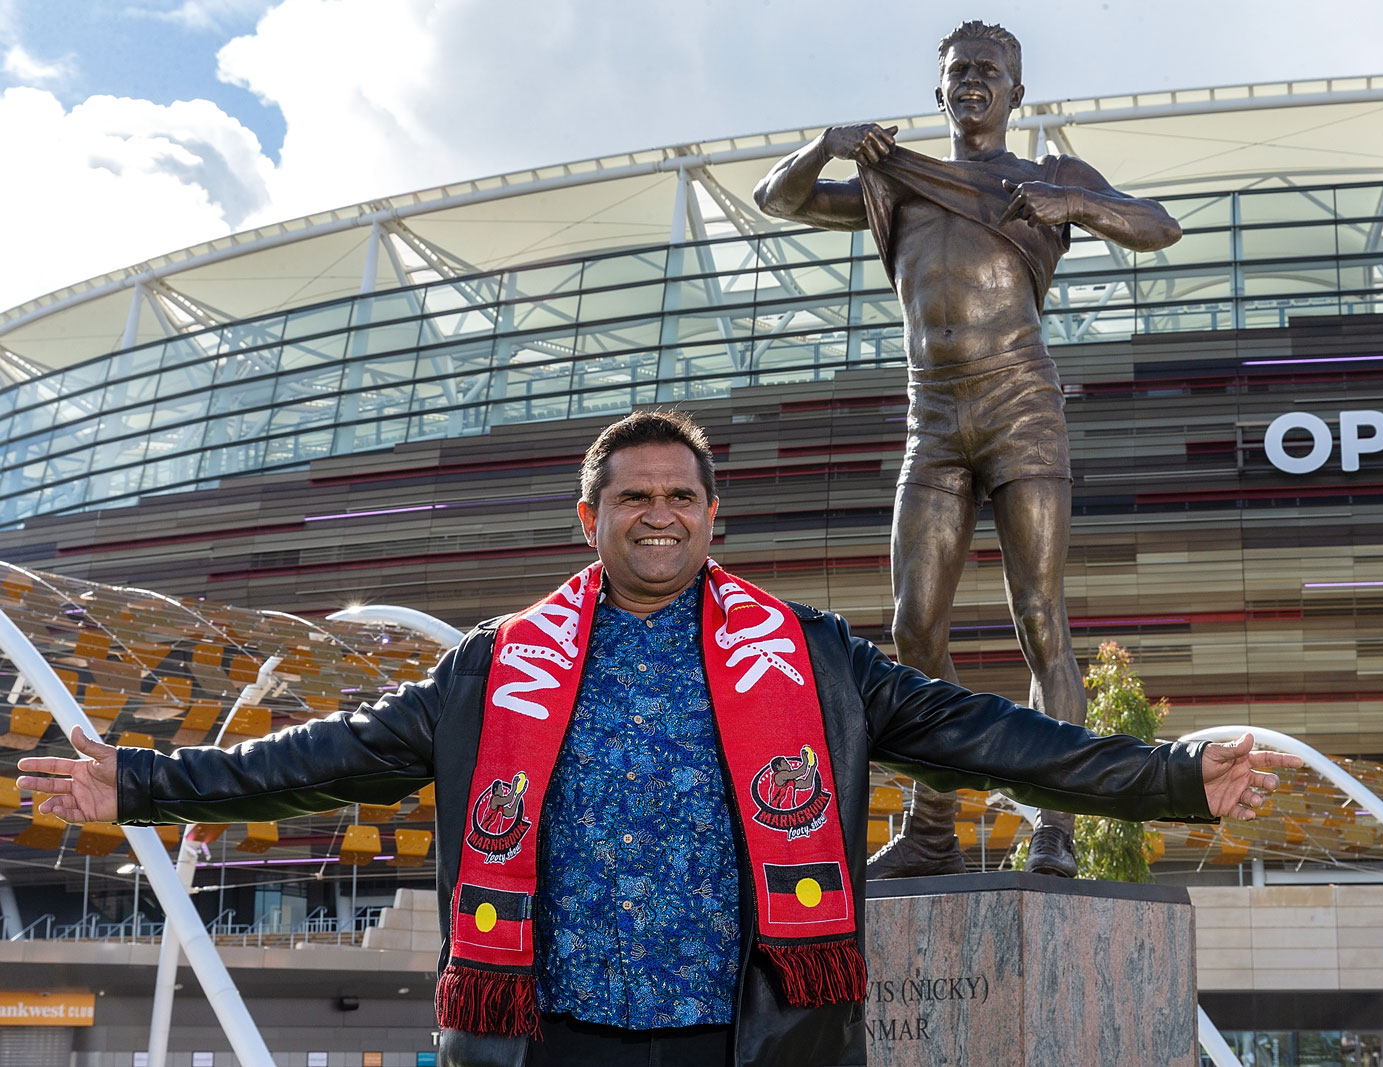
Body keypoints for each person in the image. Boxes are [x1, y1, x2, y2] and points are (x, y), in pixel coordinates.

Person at [20, 410, 1296, 1067]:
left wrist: (1168, 776)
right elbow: (322, 752)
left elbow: (985, 735)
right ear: (590, 515)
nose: (659, 513)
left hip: (747, 1032)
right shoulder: (495, 665)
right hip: (550, 1030)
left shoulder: (810, 656)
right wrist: (136, 777)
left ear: (712, 515)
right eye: (633, 495)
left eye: (681, 495)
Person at [753, 21, 1183, 879]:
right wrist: (825, 145)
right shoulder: (898, 181)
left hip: (1021, 404)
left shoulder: (1048, 176)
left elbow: (1159, 225)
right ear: (940, 90)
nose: (974, 81)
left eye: (991, 70)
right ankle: (933, 826)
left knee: (1039, 620)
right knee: (914, 625)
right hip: (934, 415)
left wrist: (1080, 207)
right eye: (959, 71)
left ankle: (1056, 823)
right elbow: (778, 199)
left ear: (1017, 93)